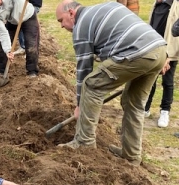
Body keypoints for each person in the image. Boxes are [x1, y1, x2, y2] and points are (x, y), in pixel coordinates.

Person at [55, 0, 167, 166]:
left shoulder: (81, 27)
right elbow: (133, 27)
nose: (62, 27)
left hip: (138, 52)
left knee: (91, 84)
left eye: (61, 21)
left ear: (71, 13)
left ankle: (84, 142)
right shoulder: (107, 7)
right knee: (133, 102)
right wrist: (160, 55)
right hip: (158, 49)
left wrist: (80, 105)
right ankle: (131, 155)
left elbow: (84, 70)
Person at [0, 0, 40, 87]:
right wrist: (8, 50)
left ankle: (32, 71)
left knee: (31, 45)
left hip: (28, 16)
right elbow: (2, 33)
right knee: (1, 45)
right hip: (12, 20)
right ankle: (2, 73)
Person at [144, 0, 179, 128]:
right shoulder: (156, 5)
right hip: (155, 49)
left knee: (167, 82)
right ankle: (146, 108)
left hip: (170, 52)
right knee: (150, 79)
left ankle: (165, 112)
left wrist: (169, 56)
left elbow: (176, 35)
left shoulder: (176, 6)